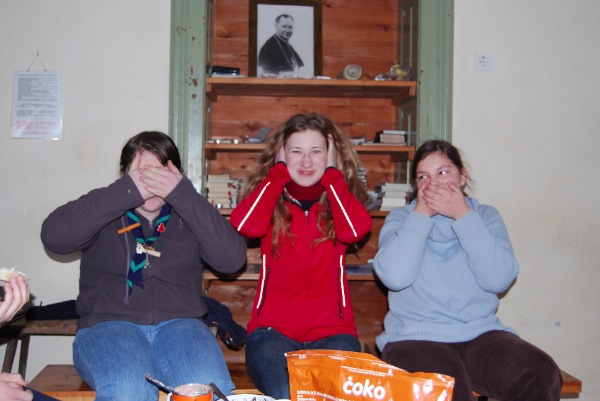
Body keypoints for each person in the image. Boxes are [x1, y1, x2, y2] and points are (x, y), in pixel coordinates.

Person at [40, 131, 247, 400]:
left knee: (209, 388)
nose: (150, 183)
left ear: (176, 176)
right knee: (128, 390)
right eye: (140, 174)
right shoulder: (103, 207)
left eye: (160, 174)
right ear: (124, 174)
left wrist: (184, 195)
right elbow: (54, 238)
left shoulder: (190, 212)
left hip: (182, 326)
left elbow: (232, 261)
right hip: (108, 327)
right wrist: (125, 192)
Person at [373, 140, 562, 401]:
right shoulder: (401, 218)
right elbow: (395, 277)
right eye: (423, 177)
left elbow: (499, 279)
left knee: (540, 372)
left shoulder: (485, 216)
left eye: (443, 172)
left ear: (462, 176)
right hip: (414, 337)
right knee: (447, 390)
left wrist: (463, 215)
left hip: (481, 334)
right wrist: (421, 215)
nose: (434, 183)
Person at [229, 112, 372, 399]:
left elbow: (354, 232)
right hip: (271, 333)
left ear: (332, 156)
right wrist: (278, 174)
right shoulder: (270, 197)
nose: (306, 162)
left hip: (334, 333)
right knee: (286, 394)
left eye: (316, 151)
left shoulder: (340, 199)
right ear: (281, 154)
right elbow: (245, 225)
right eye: (296, 151)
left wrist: (332, 177)